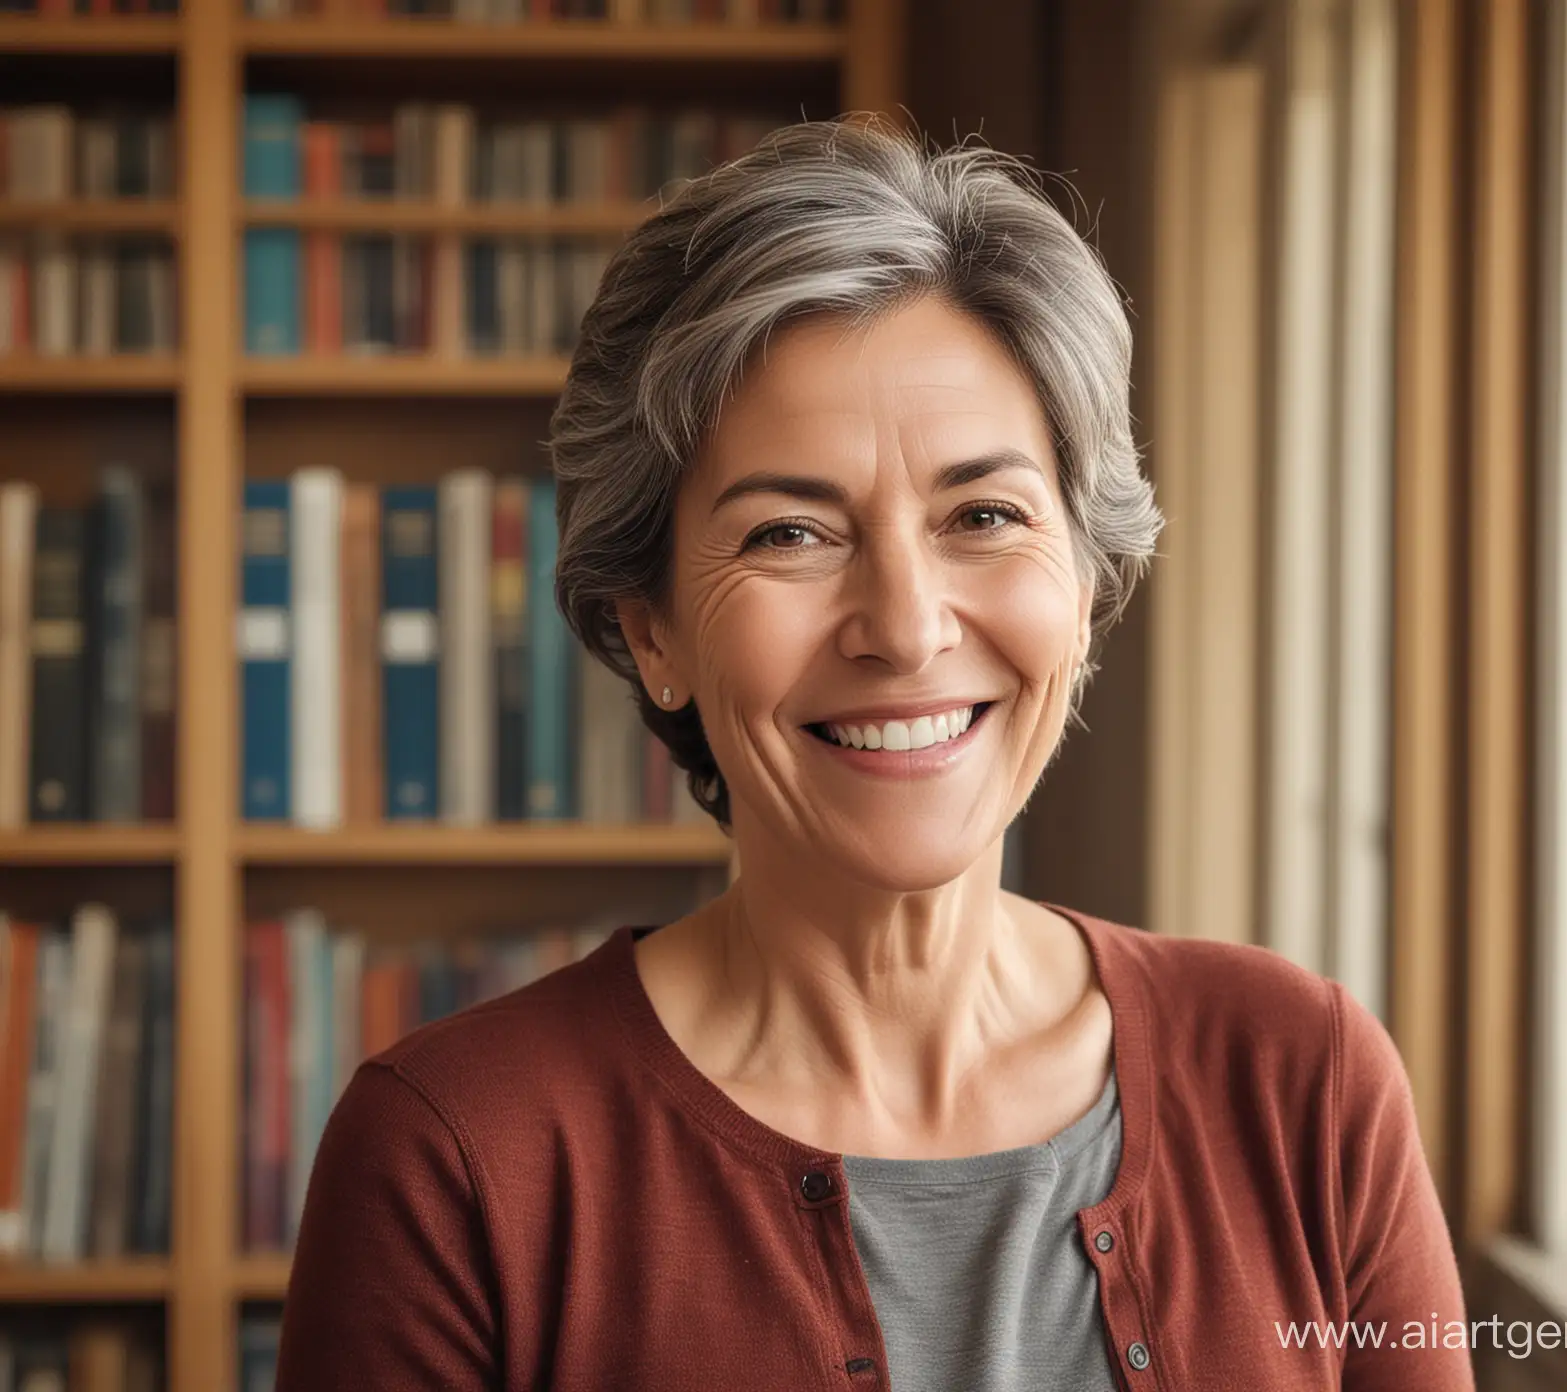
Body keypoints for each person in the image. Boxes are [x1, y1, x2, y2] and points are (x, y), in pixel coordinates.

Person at [274, 117, 1472, 1391]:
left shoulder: (1304, 1081)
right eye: (792, 533)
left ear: (1084, 583)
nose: (905, 630)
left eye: (984, 515)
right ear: (653, 631)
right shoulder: (458, 1158)